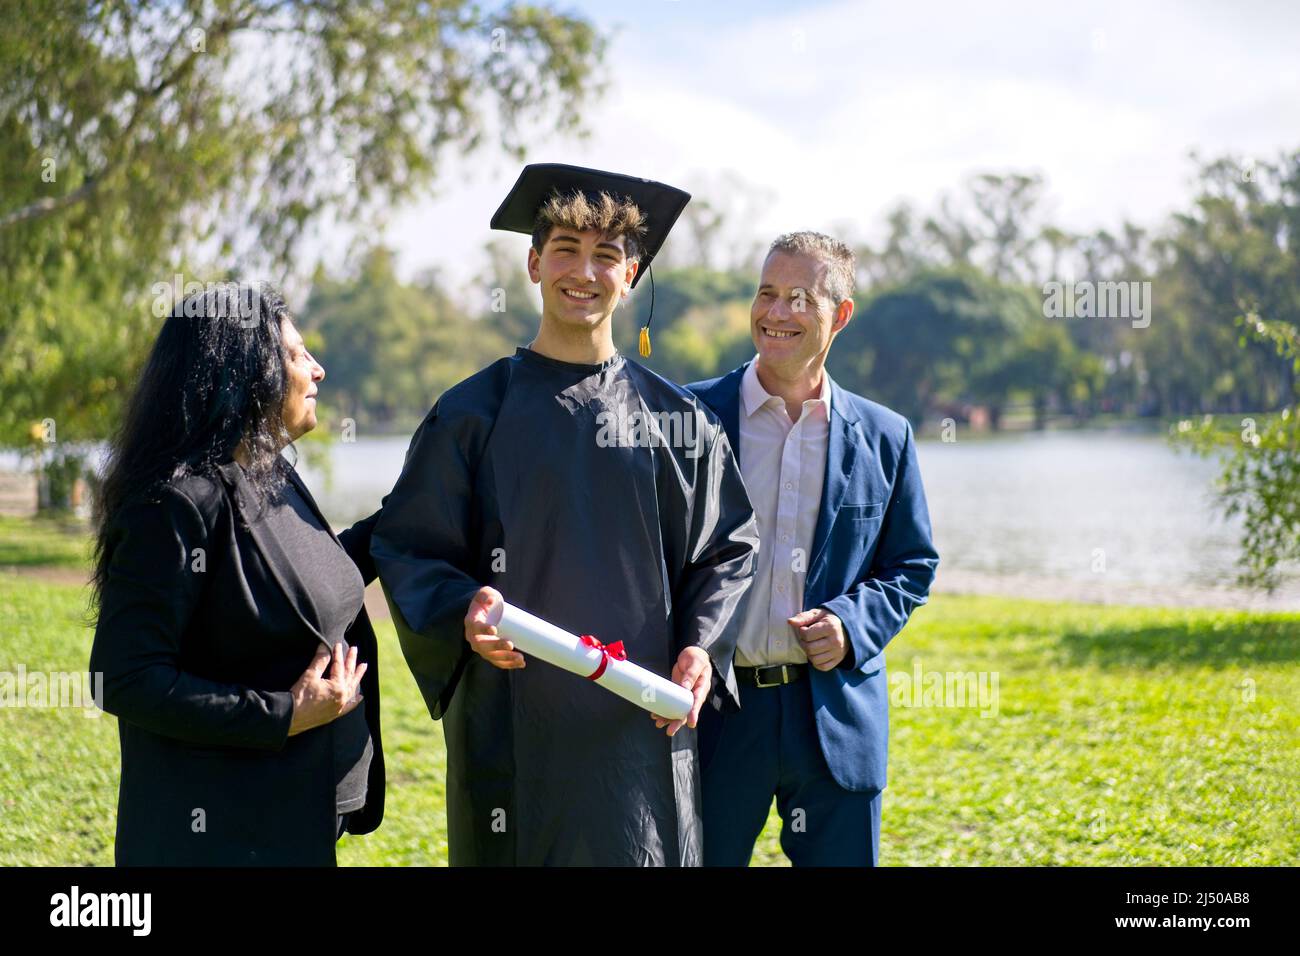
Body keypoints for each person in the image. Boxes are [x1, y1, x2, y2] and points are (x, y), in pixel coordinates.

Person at [371, 163, 758, 866]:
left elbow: (728, 549)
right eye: (566, 251)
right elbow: (409, 547)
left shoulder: (680, 423)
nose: (585, 272)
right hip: (512, 727)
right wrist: (465, 610)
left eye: (607, 256)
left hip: (642, 728)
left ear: (632, 274)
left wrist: (702, 644)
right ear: (532, 263)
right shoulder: (471, 414)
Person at [88, 283, 385, 865]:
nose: (317, 370)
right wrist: (285, 716)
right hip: (220, 836)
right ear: (244, 372)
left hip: (296, 815)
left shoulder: (266, 470)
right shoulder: (174, 505)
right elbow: (124, 677)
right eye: (297, 355)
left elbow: (309, 576)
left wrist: (419, 504)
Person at [689, 232, 939, 866]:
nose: (775, 314)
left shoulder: (887, 436)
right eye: (766, 294)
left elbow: (911, 564)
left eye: (798, 298)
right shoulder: (687, 417)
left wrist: (852, 624)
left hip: (835, 717)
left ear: (841, 315)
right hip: (715, 717)